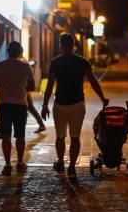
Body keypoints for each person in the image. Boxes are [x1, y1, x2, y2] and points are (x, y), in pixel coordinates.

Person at [41, 33, 109, 178]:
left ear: (60, 44)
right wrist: (102, 97)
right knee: (75, 137)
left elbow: (50, 86)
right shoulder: (82, 62)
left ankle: (60, 161)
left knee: (60, 136)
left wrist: (45, 104)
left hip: (60, 104)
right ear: (74, 45)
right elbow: (93, 82)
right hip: (78, 104)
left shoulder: (55, 62)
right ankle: (71, 166)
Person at [0, 41, 35, 175]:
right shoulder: (26, 67)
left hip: (4, 105)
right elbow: (32, 86)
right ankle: (20, 163)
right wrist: (20, 89)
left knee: (5, 136)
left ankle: (8, 164)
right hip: (20, 104)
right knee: (20, 135)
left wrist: (2, 89)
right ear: (20, 52)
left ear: (8, 52)